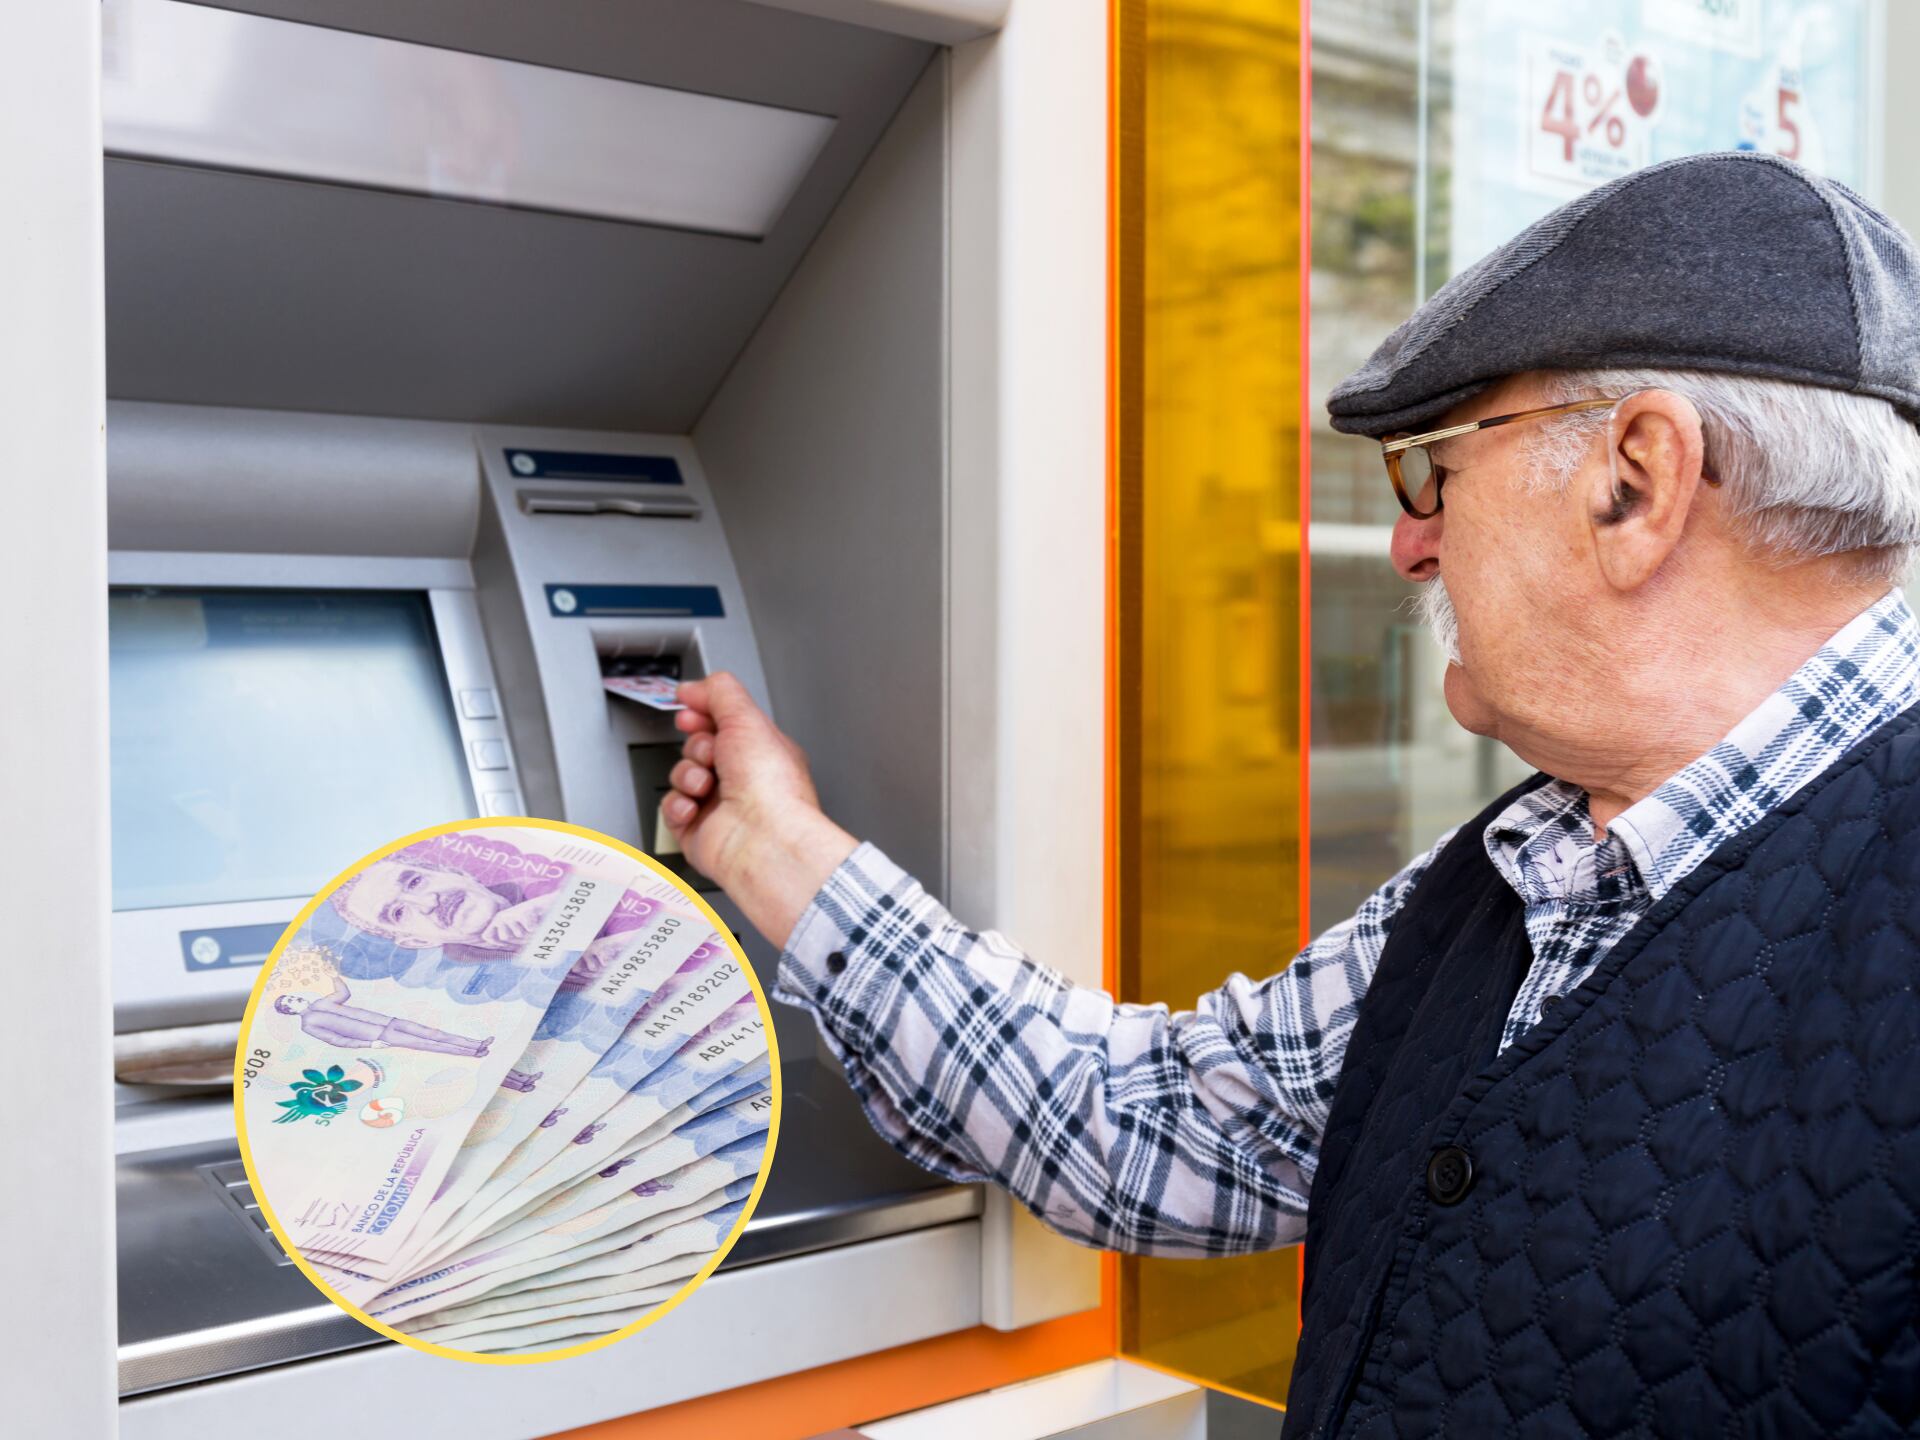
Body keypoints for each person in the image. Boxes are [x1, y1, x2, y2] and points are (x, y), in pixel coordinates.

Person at [659, 153, 1920, 1438]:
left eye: (1437, 469)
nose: (1410, 542)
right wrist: (772, 847)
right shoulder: (1517, 874)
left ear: (1636, 482)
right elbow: (1145, 1124)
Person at [274, 982, 493, 1057]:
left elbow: (343, 993)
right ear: (289, 1011)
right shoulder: (309, 1025)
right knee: (428, 1044)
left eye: (293, 996)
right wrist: (369, 1044)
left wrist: (333, 975)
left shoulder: (321, 1003)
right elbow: (337, 1040)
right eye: (291, 1001)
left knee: (434, 1034)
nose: (296, 998)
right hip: (378, 1034)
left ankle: (476, 1044)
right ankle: (472, 1052)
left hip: (387, 1021)